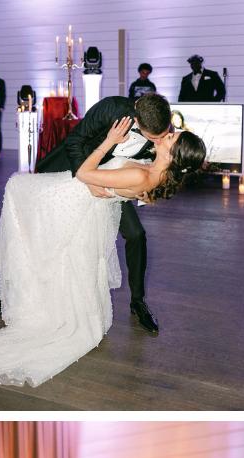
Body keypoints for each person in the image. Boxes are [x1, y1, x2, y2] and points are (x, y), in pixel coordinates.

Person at [0, 104, 206, 386]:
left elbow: (84, 174)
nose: (169, 135)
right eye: (170, 133)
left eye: (172, 138)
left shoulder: (144, 175)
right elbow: (95, 157)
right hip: (86, 198)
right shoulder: (158, 172)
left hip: (75, 195)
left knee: (16, 190)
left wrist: (110, 142)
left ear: (174, 154)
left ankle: (22, 294)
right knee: (43, 239)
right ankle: (11, 292)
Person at [30, 91, 187, 338]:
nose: (160, 142)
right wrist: (87, 181)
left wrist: (143, 195)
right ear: (137, 117)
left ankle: (138, 301)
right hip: (74, 170)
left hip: (113, 183)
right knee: (46, 234)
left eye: (163, 135)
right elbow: (75, 141)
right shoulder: (111, 109)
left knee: (136, 235)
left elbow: (152, 169)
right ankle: (11, 291)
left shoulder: (160, 129)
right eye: (154, 138)